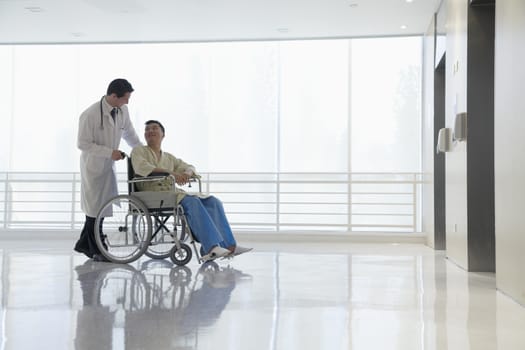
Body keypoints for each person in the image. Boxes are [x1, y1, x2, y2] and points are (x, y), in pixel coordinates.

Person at [130, 120, 252, 261]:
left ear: (163, 134)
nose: (150, 131)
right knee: (192, 202)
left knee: (213, 202)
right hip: (151, 193)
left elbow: (189, 166)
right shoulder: (139, 151)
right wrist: (173, 174)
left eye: (154, 128)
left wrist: (187, 173)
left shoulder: (169, 157)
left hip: (171, 193)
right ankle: (211, 248)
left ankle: (230, 246)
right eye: (147, 129)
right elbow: (142, 168)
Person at [74, 78, 142, 262]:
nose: (127, 102)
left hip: (107, 166)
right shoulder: (90, 114)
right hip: (93, 167)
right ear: (113, 96)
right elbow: (82, 143)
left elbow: (129, 134)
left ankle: (84, 244)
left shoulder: (122, 110)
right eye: (125, 98)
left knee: (100, 208)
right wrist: (109, 152)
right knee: (94, 209)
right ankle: (95, 249)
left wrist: (142, 152)